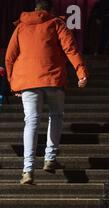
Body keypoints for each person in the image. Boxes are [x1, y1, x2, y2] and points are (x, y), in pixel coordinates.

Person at [5, 0, 88, 185]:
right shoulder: (56, 23)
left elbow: (9, 56)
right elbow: (70, 48)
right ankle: (50, 158)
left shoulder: (21, 27)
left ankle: (27, 170)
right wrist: (81, 72)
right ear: (50, 10)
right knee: (56, 115)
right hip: (53, 79)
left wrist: (13, 83)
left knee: (31, 121)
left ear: (35, 10)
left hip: (27, 81)